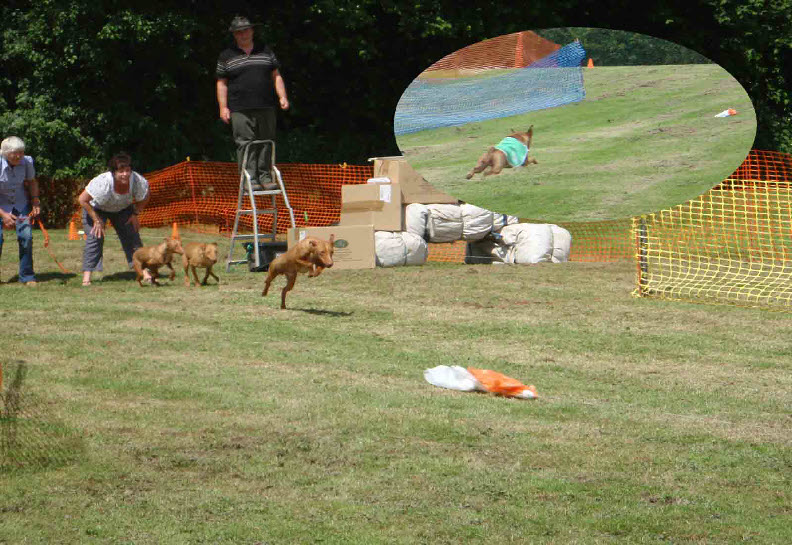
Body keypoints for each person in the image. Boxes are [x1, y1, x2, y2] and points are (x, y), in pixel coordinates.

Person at [216, 15, 290, 191]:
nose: (243, 35)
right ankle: (250, 179)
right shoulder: (227, 55)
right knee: (245, 143)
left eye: (246, 30)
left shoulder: (265, 51)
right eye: (239, 32)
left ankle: (265, 176)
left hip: (266, 105)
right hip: (239, 107)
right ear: (234, 35)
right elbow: (221, 83)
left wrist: (283, 96)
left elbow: (276, 75)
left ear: (252, 31)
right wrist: (223, 107)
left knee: (266, 141)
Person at [78, 152, 151, 286]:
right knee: (95, 237)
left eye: (128, 170)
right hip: (96, 209)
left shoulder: (137, 181)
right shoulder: (103, 182)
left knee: (132, 237)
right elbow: (82, 200)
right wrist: (96, 220)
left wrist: (135, 213)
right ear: (113, 172)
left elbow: (145, 197)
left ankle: (145, 273)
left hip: (122, 209)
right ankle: (86, 278)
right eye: (121, 171)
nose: (125, 174)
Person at [0, 136, 40, 286]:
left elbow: (32, 182)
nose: (19, 156)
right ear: (5, 153)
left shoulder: (27, 161)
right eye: (15, 153)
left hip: (19, 203)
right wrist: (3, 215)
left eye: (21, 152)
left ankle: (27, 276)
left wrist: (35, 200)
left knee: (26, 237)